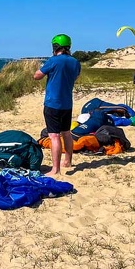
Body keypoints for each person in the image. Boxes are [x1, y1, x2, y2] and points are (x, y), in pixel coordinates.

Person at [33, 34, 81, 176]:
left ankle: (56, 169)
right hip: (67, 103)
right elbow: (76, 76)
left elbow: (37, 75)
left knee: (54, 136)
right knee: (66, 133)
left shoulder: (53, 60)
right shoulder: (75, 62)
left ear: (55, 47)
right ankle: (67, 161)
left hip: (52, 103)